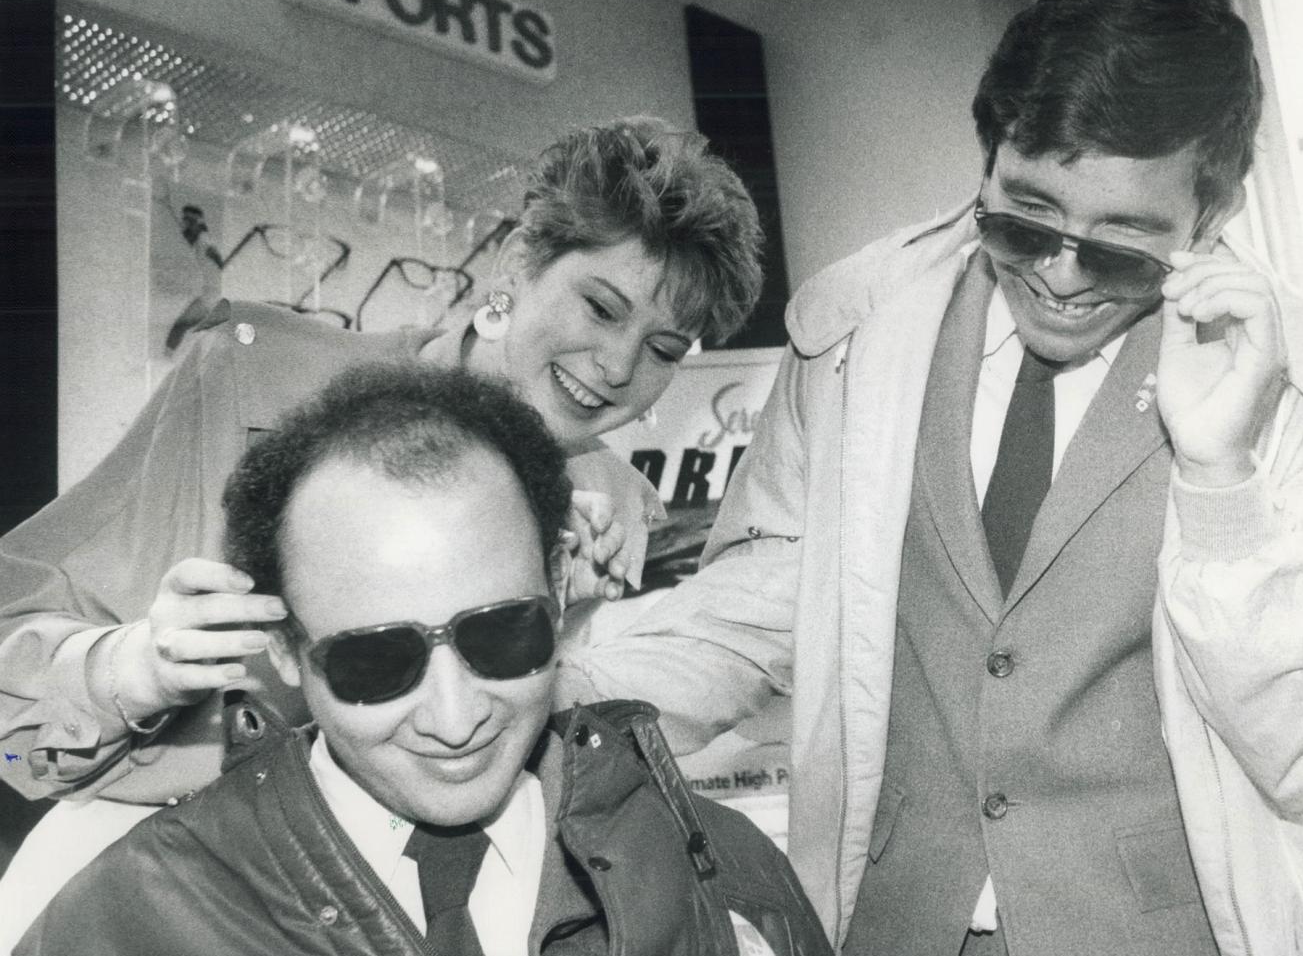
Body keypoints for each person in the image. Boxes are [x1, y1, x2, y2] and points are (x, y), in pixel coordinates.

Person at [556, 0, 1303, 956]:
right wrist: (537, 670)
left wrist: (1222, 478)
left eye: (1122, 248)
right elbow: (761, 606)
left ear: (1212, 216)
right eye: (1025, 217)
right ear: (987, 158)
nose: (1060, 276)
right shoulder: (856, 335)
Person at [0, 364, 873, 956]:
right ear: (282, 648)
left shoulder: (730, 874)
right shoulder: (113, 952)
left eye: (503, 636)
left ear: (560, 587)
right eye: (377, 660)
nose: (456, 719)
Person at [0, 115, 762, 806]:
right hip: (168, 874)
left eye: (663, 349)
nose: (619, 367)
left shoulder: (617, 507)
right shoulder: (254, 379)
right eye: (600, 308)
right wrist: (127, 668)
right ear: (519, 263)